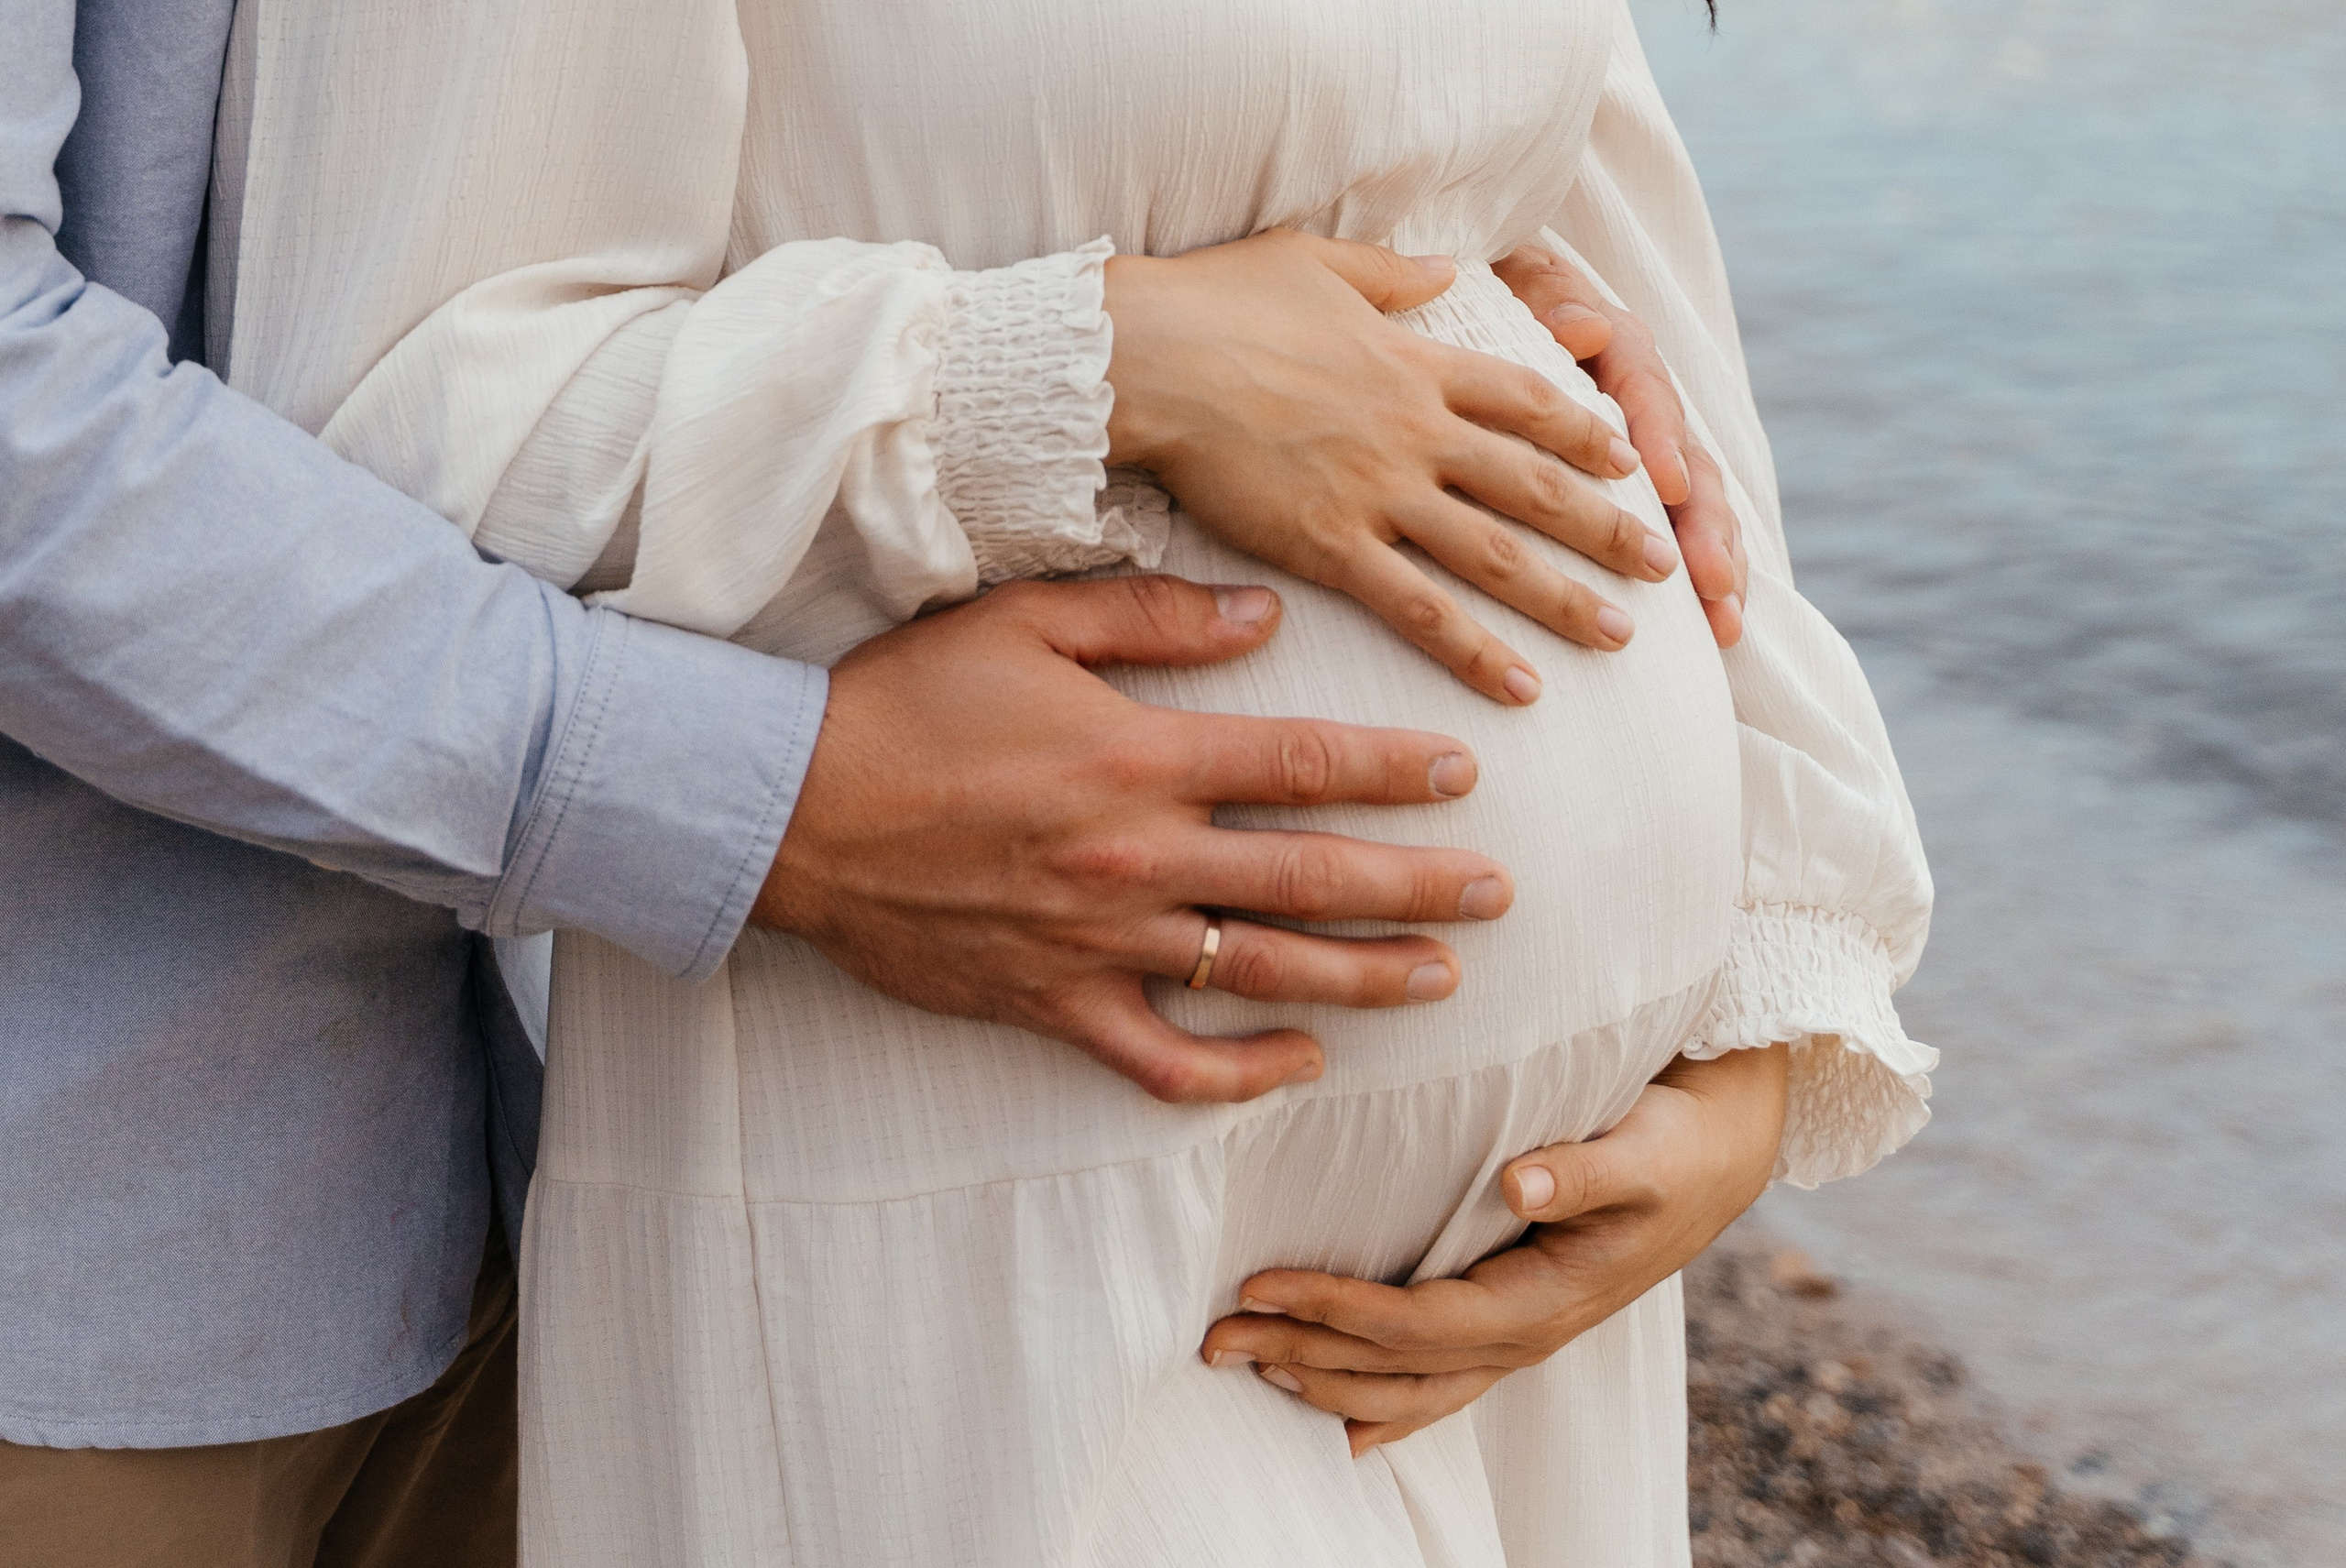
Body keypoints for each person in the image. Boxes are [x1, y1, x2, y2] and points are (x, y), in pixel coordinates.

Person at [0, 5, 1810, 1565]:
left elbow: (1578, 223)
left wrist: (1771, 1024)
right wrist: (775, 798)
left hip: (554, 1129)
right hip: (131, 1186)